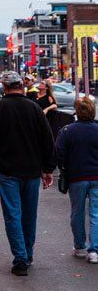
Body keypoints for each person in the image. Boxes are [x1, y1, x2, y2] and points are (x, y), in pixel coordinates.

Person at [0, 70, 55, 276]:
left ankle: (20, 258)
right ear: (21, 86)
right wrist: (47, 169)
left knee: (13, 214)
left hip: (7, 169)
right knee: (29, 214)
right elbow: (47, 141)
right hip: (31, 170)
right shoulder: (34, 108)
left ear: (4, 87)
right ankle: (27, 253)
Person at [55, 96, 98, 263]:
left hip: (76, 177)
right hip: (97, 176)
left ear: (77, 112)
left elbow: (59, 154)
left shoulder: (67, 131)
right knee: (95, 213)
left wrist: (64, 168)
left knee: (77, 212)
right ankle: (94, 251)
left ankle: (80, 247)